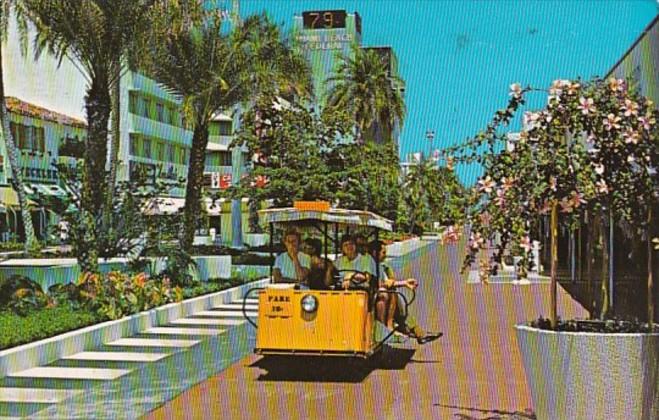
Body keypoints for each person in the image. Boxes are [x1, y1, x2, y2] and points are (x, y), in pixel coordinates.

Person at [369, 240, 443, 345]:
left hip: (381, 295)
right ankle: (409, 331)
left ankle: (416, 332)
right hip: (374, 297)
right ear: (375, 253)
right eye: (383, 253)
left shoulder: (381, 266)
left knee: (394, 297)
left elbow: (388, 281)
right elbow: (382, 283)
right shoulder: (370, 265)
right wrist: (403, 283)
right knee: (390, 295)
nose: (385, 256)